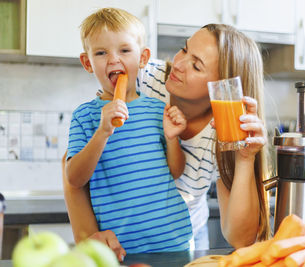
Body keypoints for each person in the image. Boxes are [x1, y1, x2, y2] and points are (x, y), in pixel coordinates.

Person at [63, 22, 272, 260]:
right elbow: (73, 164)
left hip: (180, 248)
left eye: (196, 65)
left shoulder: (224, 127)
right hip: (118, 248)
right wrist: (89, 237)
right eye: (184, 49)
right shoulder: (142, 75)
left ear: (221, 87)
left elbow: (240, 238)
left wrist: (245, 158)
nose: (178, 64)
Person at [65, 7, 193, 255]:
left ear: (143, 57)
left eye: (124, 50)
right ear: (87, 62)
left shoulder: (159, 110)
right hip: (119, 249)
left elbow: (175, 172)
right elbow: (74, 178)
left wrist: (172, 138)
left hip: (173, 242)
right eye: (101, 52)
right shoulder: (85, 116)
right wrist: (102, 132)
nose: (114, 59)